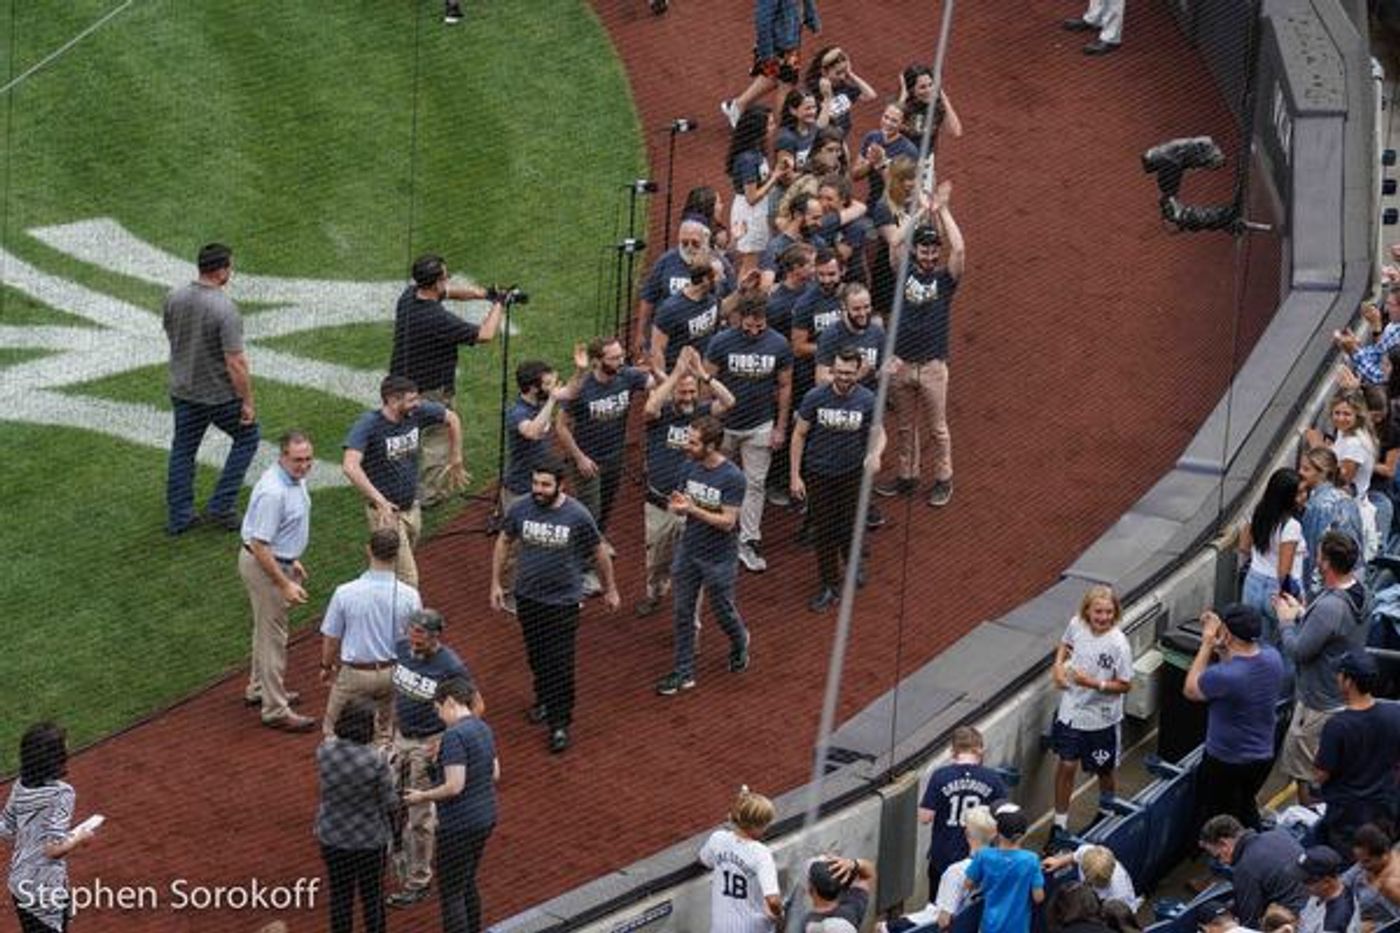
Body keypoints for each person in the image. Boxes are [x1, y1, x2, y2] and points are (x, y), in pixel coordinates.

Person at [489, 458, 620, 752]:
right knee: (536, 655)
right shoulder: (520, 507)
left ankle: (560, 723)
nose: (538, 489)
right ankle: (543, 699)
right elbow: (504, 540)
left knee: (560, 663)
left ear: (561, 485)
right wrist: (496, 583)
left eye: (545, 485)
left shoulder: (577, 515)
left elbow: (599, 551)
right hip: (528, 597)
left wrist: (610, 589)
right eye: (535, 483)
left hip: (563, 603)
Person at [388, 254, 505, 508]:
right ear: (437, 282)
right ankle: (429, 495)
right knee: (436, 438)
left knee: (399, 435)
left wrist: (483, 293)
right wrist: (499, 303)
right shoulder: (437, 319)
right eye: (445, 276)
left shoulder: (408, 297)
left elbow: (449, 292)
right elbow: (485, 335)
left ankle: (391, 481)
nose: (448, 281)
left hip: (397, 385)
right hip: (429, 390)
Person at [876, 181, 966, 508]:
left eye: (932, 250)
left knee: (938, 429)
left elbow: (959, 250)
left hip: (932, 366)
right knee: (904, 427)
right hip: (901, 363)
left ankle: (944, 479)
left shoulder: (945, 279)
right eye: (924, 249)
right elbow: (897, 241)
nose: (929, 255)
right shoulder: (903, 273)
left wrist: (942, 211)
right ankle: (907, 476)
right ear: (917, 251)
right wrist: (918, 213)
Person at [163, 242, 260, 535]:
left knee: (183, 450)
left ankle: (180, 516)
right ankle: (222, 504)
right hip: (219, 396)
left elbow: (171, 333)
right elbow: (236, 362)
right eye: (230, 266)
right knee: (248, 437)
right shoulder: (224, 308)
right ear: (221, 271)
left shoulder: (174, 296)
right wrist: (247, 401)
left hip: (183, 390)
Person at [656, 415, 754, 695]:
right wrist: (676, 506)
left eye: (693, 442)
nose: (686, 445)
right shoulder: (689, 466)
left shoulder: (733, 477)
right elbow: (680, 498)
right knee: (683, 612)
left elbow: (728, 522)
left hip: (719, 557)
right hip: (689, 550)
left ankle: (740, 642)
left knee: (723, 611)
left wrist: (692, 510)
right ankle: (683, 671)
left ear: (711, 446)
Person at [1273, 531, 1369, 806]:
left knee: (1308, 775)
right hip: (1341, 697)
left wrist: (1286, 621)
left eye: (1319, 554)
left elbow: (1298, 651)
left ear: (1325, 563)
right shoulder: (1361, 592)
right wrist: (1304, 615)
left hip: (1318, 704)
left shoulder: (1330, 607)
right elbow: (1332, 634)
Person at [342, 375, 464, 588]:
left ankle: (371, 589)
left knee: (391, 568)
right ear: (392, 400)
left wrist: (456, 456)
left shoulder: (416, 412)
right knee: (408, 580)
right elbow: (350, 465)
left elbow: (452, 418)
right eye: (411, 400)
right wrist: (380, 501)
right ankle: (404, 619)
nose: (417, 403)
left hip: (412, 507)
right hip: (387, 515)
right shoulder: (369, 424)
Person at [638, 347, 733, 617]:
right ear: (673, 393)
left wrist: (704, 375)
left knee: (692, 564)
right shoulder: (661, 415)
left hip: (695, 505)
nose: (689, 397)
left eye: (692, 392)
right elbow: (649, 407)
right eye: (683, 392)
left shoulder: (702, 415)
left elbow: (729, 402)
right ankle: (655, 592)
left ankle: (690, 618)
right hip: (660, 502)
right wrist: (676, 374)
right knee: (657, 560)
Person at [386, 609, 472, 909]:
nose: (413, 639)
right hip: (400, 738)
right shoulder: (401, 650)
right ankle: (398, 854)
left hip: (428, 744)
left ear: (436, 636)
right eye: (411, 632)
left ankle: (419, 880)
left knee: (420, 814)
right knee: (390, 799)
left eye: (420, 635)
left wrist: (446, 741)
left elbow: (473, 707)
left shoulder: (451, 666)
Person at [789, 348, 885, 611]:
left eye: (849, 373)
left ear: (858, 372)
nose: (843, 378)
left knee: (850, 525)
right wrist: (795, 475)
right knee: (825, 531)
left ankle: (853, 565)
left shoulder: (867, 399)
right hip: (818, 473)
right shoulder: (815, 397)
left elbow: (879, 432)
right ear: (832, 370)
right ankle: (829, 585)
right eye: (839, 372)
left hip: (851, 473)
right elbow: (799, 435)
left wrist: (875, 454)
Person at [706, 295, 794, 573]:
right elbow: (706, 381)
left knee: (754, 484)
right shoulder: (721, 341)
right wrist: (707, 421)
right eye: (749, 326)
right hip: (724, 426)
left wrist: (780, 427)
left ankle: (749, 540)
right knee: (716, 480)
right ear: (738, 319)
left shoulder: (779, 344)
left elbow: (784, 387)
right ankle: (715, 534)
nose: (755, 331)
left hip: (760, 425)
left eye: (760, 326)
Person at [403, 678, 498, 933]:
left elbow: (455, 785)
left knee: (451, 892)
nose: (439, 716)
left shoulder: (454, 735)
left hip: (459, 824)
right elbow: (494, 773)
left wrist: (421, 797)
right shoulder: (483, 728)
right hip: (485, 817)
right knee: (467, 882)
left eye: (438, 709)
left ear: (450, 702)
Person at [555, 337, 652, 581]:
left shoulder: (627, 376)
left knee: (606, 507)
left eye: (621, 356)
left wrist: (664, 371)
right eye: (614, 358)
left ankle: (597, 541)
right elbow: (561, 427)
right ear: (597, 361)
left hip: (614, 457)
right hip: (588, 462)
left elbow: (653, 383)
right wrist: (579, 458)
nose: (621, 361)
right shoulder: (582, 388)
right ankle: (582, 568)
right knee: (589, 513)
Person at [239, 430, 316, 733]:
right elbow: (260, 545)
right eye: (298, 460)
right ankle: (274, 709)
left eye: (308, 459)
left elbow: (281, 529)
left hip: (276, 561)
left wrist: (292, 558)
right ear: (282, 457)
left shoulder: (292, 479)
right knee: (274, 638)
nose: (304, 465)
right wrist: (284, 582)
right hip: (264, 566)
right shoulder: (274, 491)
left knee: (265, 630)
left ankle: (259, 689)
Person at [1184, 604, 1285, 829]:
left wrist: (1207, 644)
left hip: (1226, 761)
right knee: (1245, 806)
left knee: (1221, 819)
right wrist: (1223, 648)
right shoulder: (1273, 658)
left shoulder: (1226, 676)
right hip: (1262, 756)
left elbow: (1191, 689)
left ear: (1227, 633)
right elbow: (1237, 666)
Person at [319, 528, 424, 744]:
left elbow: (332, 638)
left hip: (356, 676)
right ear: (396, 555)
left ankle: (342, 775)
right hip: (391, 673)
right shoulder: (410, 595)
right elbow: (416, 639)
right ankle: (381, 774)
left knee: (334, 731)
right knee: (384, 735)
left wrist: (326, 666)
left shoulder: (345, 592)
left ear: (368, 551)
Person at [1049, 585, 1133, 842]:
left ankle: (1106, 812)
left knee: (1104, 770)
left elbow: (1126, 684)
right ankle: (1059, 824)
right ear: (1087, 611)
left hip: (1102, 718)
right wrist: (1057, 668)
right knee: (1066, 764)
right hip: (1072, 710)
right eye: (1098, 611)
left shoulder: (1119, 644)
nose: (1103, 617)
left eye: (1109, 612)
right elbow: (1065, 644)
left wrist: (1094, 684)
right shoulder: (1077, 624)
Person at [497, 359, 579, 613]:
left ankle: (540, 583)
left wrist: (581, 370)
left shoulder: (543, 401)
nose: (553, 387)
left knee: (543, 539)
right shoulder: (517, 413)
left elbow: (570, 391)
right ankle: (510, 593)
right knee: (514, 546)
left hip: (542, 488)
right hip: (519, 489)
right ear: (533, 388)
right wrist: (553, 400)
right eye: (547, 384)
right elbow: (532, 432)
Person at [1, 723, 96, 933]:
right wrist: (81, 836)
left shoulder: (20, 785)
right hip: (44, 889)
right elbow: (53, 849)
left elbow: (6, 828)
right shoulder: (62, 794)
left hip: (19, 883)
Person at [315, 697, 398, 933]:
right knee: (372, 898)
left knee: (340, 896)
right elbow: (390, 801)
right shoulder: (376, 760)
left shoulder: (324, 750)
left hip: (332, 836)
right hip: (369, 841)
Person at [1313, 650, 1400, 852]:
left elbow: (1320, 774)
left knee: (1349, 866)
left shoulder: (1337, 726)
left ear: (1348, 681)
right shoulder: (1394, 713)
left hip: (1347, 816)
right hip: (1384, 808)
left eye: (1340, 674)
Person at [917, 727, 1009, 904]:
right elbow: (1004, 816)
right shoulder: (992, 778)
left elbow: (924, 817)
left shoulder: (940, 776)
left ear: (953, 750)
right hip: (978, 857)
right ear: (980, 749)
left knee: (938, 908)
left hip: (943, 856)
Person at [719, 0, 822, 129]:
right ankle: (784, 132)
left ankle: (738, 105)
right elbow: (763, 20)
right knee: (786, 85)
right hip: (777, 45)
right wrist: (767, 53)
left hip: (790, 42)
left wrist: (812, 20)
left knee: (772, 79)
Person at [1198, 815, 1309, 928]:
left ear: (1224, 844)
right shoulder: (1279, 834)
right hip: (1317, 904)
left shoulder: (1245, 869)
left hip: (1300, 922)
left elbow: (1250, 924)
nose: (1222, 862)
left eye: (1218, 856)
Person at [697, 787, 782, 931]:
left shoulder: (718, 838)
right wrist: (779, 915)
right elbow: (773, 900)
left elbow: (703, 860)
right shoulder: (761, 853)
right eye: (765, 824)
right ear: (756, 826)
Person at [1238, 468, 1306, 646]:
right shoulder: (1291, 526)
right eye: (1298, 493)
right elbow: (1283, 572)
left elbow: (1243, 547)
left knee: (1253, 646)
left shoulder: (1257, 513)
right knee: (1286, 649)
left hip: (1252, 583)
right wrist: (1297, 599)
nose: (1304, 496)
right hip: (1278, 591)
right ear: (1286, 496)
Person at [963, 805, 1046, 933]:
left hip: (989, 927)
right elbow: (1038, 897)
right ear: (1023, 833)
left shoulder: (984, 855)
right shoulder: (1031, 859)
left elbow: (968, 884)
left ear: (997, 831)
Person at [726, 105, 784, 278]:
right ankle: (743, 301)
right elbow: (752, 197)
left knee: (754, 261)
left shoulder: (756, 152)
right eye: (770, 124)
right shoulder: (748, 159)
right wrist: (776, 177)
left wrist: (776, 172)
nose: (774, 127)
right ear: (758, 129)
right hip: (749, 213)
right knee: (749, 265)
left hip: (756, 211)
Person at [1298, 447, 1364, 596]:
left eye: (1306, 469)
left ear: (1323, 473)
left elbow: (1312, 551)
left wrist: (1310, 591)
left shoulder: (1318, 506)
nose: (1300, 473)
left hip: (1329, 582)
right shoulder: (1346, 498)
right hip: (1351, 576)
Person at [804, 45, 877, 138]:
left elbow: (870, 95)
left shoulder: (843, 87)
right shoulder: (814, 92)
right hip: (822, 142)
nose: (842, 77)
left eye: (844, 71)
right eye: (838, 73)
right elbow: (819, 126)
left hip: (840, 139)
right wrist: (827, 98)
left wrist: (851, 74)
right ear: (824, 72)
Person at [1041, 845, 1140, 911]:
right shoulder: (1087, 852)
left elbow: (1122, 920)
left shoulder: (1120, 894)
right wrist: (1058, 862)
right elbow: (1074, 856)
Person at [1346, 824, 1400, 930]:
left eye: (1366, 861)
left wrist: (1376, 926)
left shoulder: (1390, 885)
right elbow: (1344, 880)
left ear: (1384, 854)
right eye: (1359, 860)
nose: (1361, 865)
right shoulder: (1369, 863)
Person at [802, 855, 875, 932]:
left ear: (811, 889)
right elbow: (869, 875)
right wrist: (854, 864)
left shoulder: (807, 926)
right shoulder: (852, 909)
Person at [1293, 846, 1355, 933]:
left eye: (1306, 881)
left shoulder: (1333, 923)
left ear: (1326, 882)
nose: (1302, 884)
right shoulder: (1320, 892)